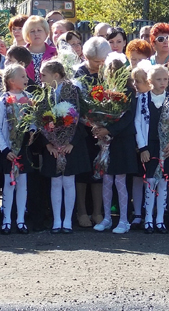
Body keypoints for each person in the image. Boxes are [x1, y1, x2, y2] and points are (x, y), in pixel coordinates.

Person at [40, 60, 90, 234]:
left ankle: (68, 219)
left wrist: (71, 142)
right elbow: (40, 119)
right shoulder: (44, 93)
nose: (41, 78)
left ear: (56, 75)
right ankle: (56, 220)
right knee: (55, 182)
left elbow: (81, 118)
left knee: (69, 181)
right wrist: (48, 143)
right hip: (52, 145)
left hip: (71, 146)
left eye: (44, 75)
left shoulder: (74, 90)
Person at [92, 59, 137, 235]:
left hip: (122, 142)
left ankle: (124, 219)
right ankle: (107, 218)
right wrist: (97, 127)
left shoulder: (129, 93)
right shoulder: (104, 92)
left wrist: (108, 129)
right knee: (107, 180)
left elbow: (127, 119)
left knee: (120, 181)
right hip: (106, 142)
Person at [73, 37, 112, 227]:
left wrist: (104, 125)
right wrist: (90, 123)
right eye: (97, 61)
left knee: (99, 171)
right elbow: (75, 105)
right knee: (82, 171)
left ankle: (98, 212)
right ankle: (82, 212)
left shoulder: (109, 73)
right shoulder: (78, 75)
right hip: (82, 131)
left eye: (103, 60)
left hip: (103, 132)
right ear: (86, 57)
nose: (100, 65)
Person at [134, 64, 169, 234]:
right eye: (159, 79)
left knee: (164, 183)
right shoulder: (142, 99)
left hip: (165, 146)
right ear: (150, 81)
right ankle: (148, 219)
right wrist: (142, 147)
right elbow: (138, 123)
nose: (163, 82)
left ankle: (160, 219)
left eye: (165, 79)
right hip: (149, 145)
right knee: (150, 181)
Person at [0, 64, 33, 235]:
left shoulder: (28, 98)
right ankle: (6, 219)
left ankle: (21, 220)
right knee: (9, 184)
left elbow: (33, 120)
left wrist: (32, 130)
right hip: (8, 151)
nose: (26, 79)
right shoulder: (3, 100)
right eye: (22, 76)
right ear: (11, 81)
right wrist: (4, 148)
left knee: (22, 185)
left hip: (23, 149)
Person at [129, 63, 152, 229]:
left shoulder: (155, 98)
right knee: (137, 179)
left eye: (139, 81)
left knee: (151, 180)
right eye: (134, 81)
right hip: (138, 145)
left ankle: (152, 212)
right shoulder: (134, 99)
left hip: (153, 146)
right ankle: (137, 213)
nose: (135, 84)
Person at [22, 16, 57, 84]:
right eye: (32, 31)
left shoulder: (55, 52)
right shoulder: (20, 53)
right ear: (27, 35)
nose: (36, 34)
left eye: (39, 30)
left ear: (46, 32)